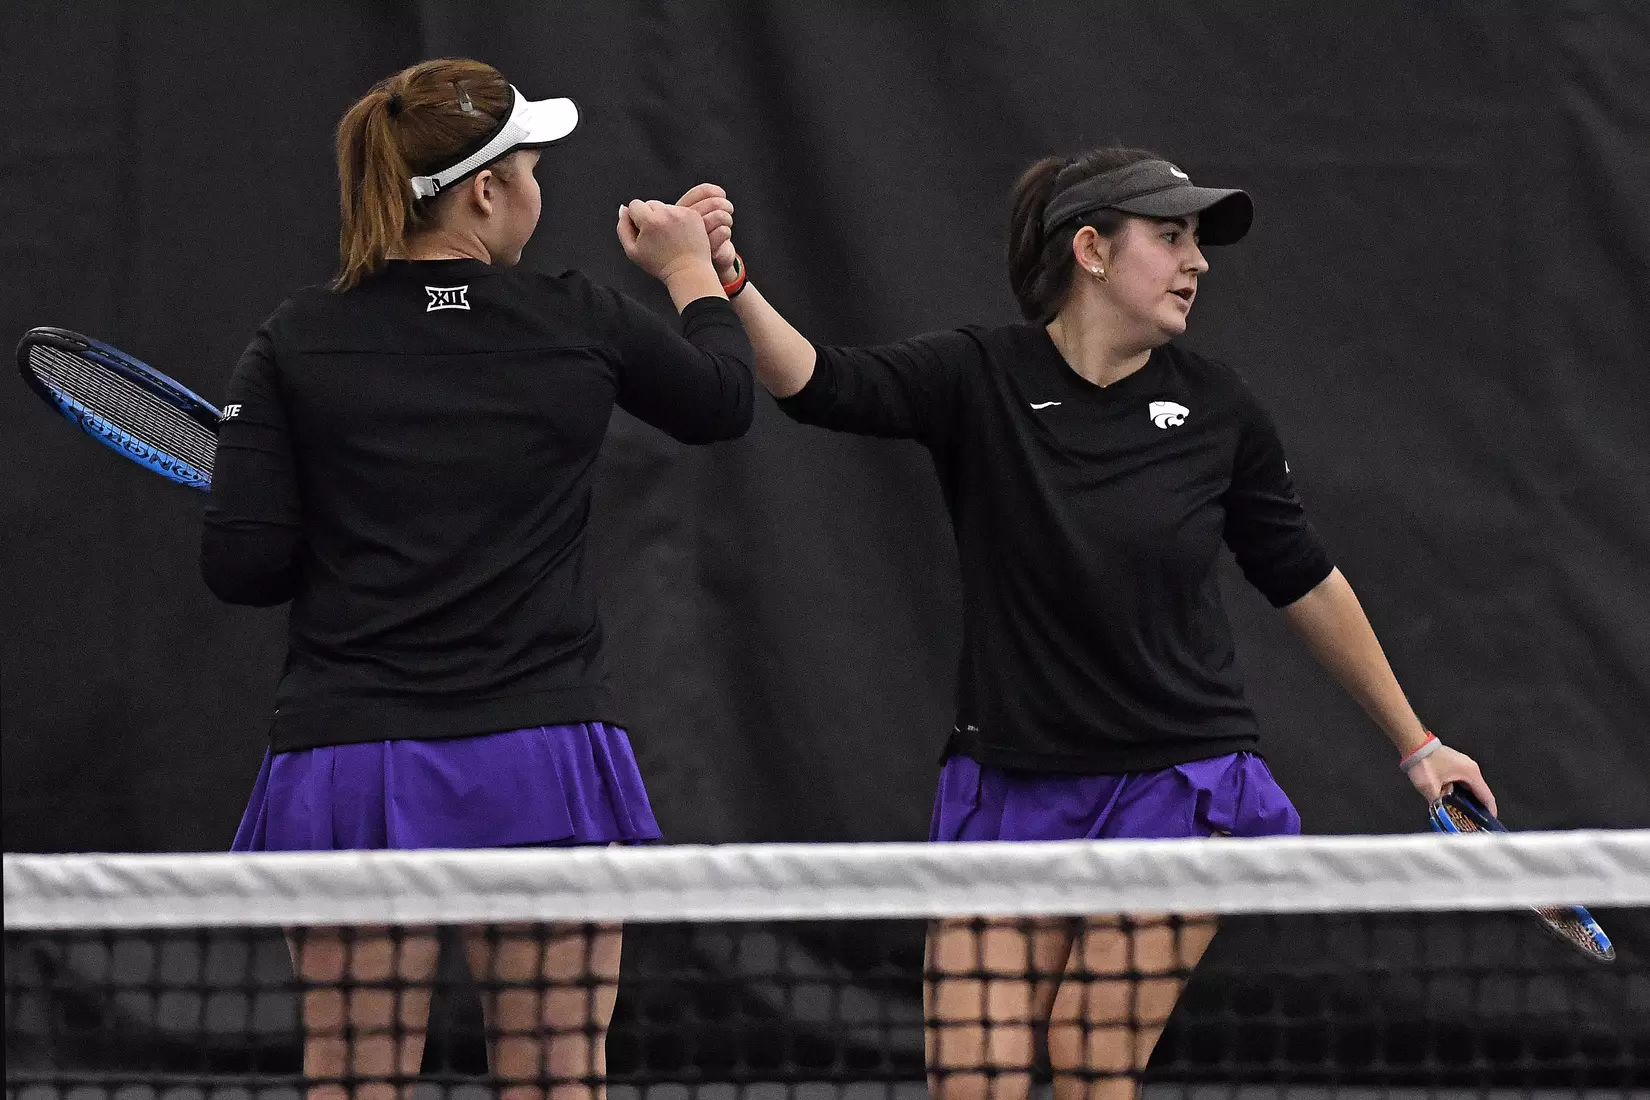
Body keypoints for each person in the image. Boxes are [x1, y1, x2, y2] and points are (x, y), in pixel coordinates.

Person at [676, 149, 1498, 1100]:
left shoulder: (1220, 410)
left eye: (1199, 241)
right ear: (1093, 250)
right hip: (1009, 787)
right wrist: (726, 276)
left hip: (1178, 786)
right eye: (1172, 236)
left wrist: (1418, 744)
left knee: (1089, 1061)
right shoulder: (977, 375)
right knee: (969, 1080)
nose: (1197, 262)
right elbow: (815, 383)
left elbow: (1304, 578)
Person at [201, 59, 753, 1100]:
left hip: (352, 766)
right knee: (555, 1080)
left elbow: (243, 565)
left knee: (354, 1081)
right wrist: (693, 270)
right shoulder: (575, 316)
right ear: (485, 191)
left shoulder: (294, 341)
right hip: (536, 756)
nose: (541, 189)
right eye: (534, 167)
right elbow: (723, 399)